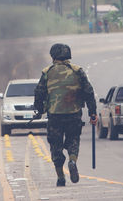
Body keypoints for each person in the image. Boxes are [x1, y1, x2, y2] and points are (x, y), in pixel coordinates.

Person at [34, 43, 97, 187]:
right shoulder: (77, 71)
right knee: (73, 140)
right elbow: (89, 92)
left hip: (55, 116)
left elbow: (39, 92)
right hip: (74, 114)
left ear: (53, 55)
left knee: (55, 146)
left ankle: (60, 177)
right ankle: (72, 161)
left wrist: (38, 110)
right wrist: (92, 112)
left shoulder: (47, 72)